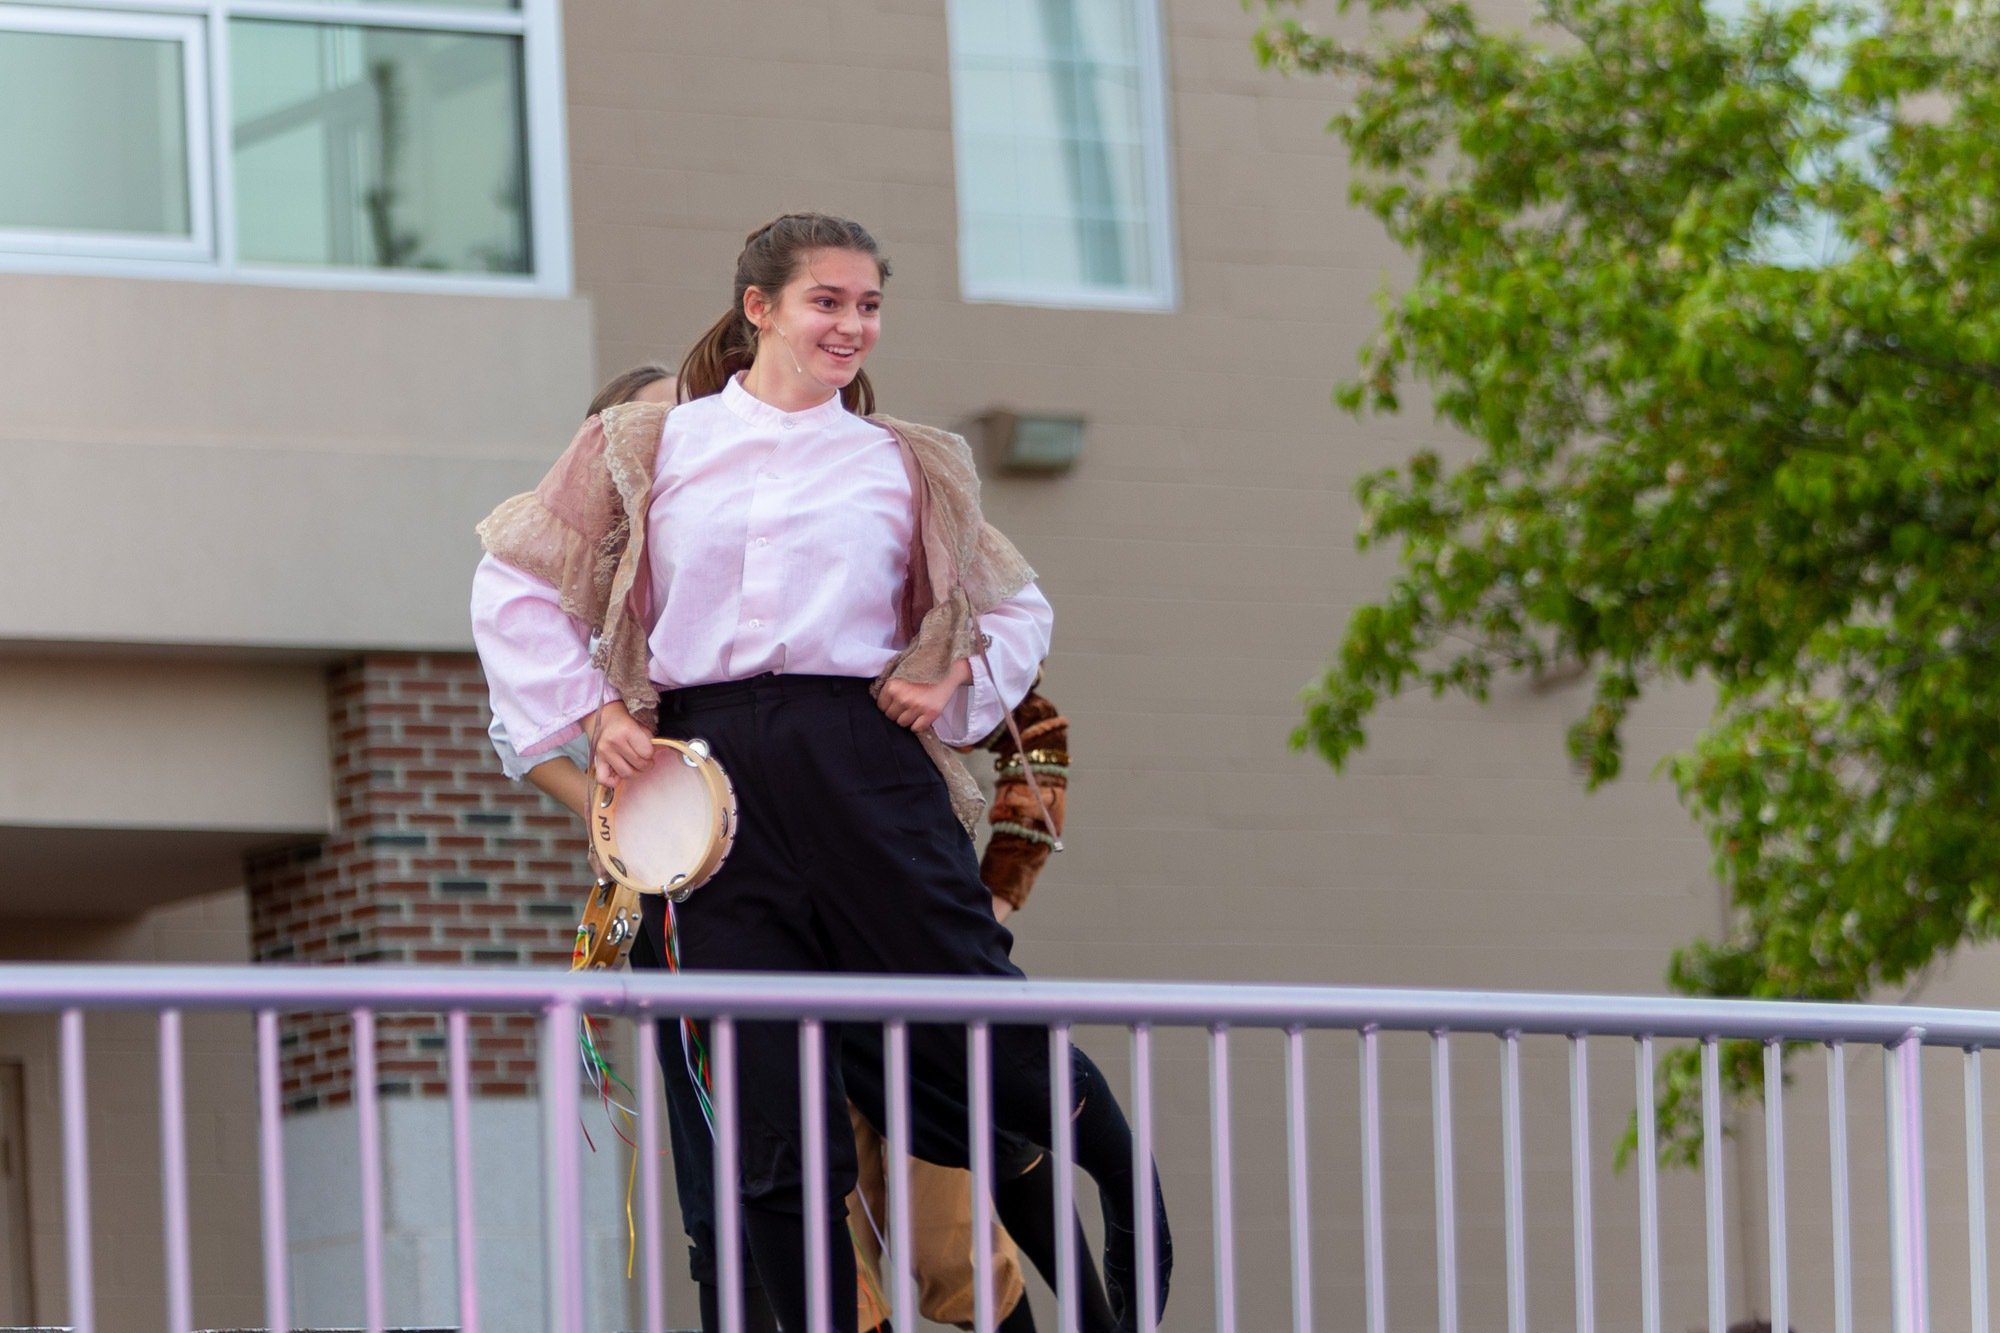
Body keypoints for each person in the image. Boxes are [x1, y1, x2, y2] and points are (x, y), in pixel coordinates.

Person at [472, 213, 1168, 1333]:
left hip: (860, 756)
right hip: (710, 774)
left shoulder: (905, 458)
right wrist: (595, 710)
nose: (851, 324)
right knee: (761, 1115)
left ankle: (1120, 1227)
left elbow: (1015, 608)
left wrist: (946, 682)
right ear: (759, 308)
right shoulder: (648, 444)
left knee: (972, 1020)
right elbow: (511, 584)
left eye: (867, 304)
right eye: (825, 300)